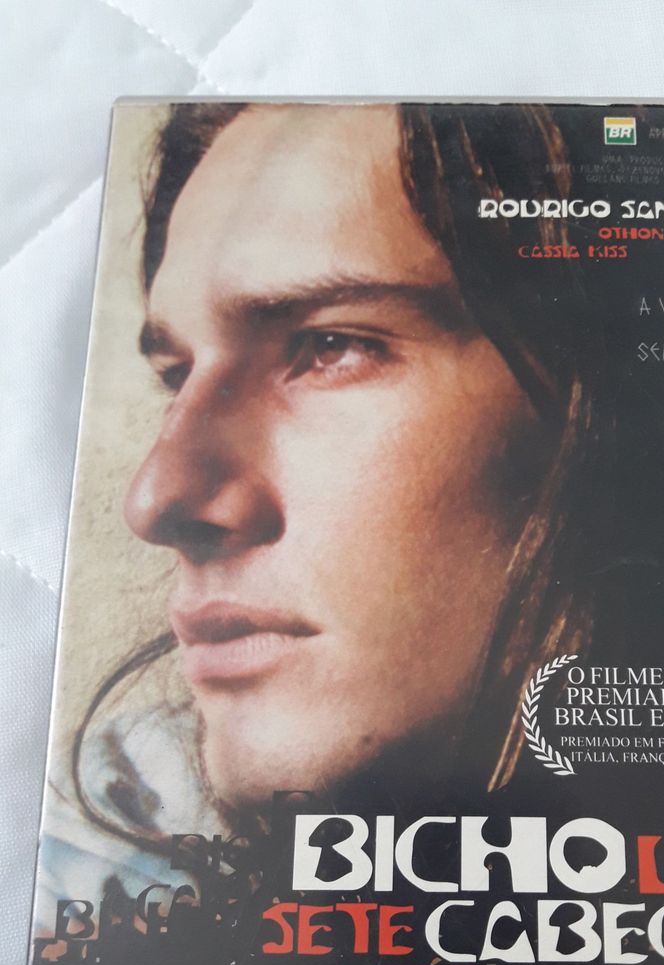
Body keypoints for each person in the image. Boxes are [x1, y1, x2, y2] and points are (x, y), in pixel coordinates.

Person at [64, 101, 614, 882]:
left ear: (599, 409)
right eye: (178, 375)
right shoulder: (87, 864)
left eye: (330, 346)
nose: (156, 499)